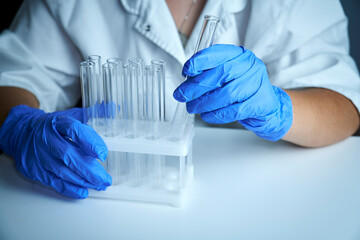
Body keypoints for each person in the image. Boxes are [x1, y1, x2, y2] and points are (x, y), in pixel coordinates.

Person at [0, 0, 359, 199]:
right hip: (119, 196)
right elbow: (13, 75)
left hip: (260, 199)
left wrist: (278, 107)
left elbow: (345, 104)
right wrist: (20, 126)